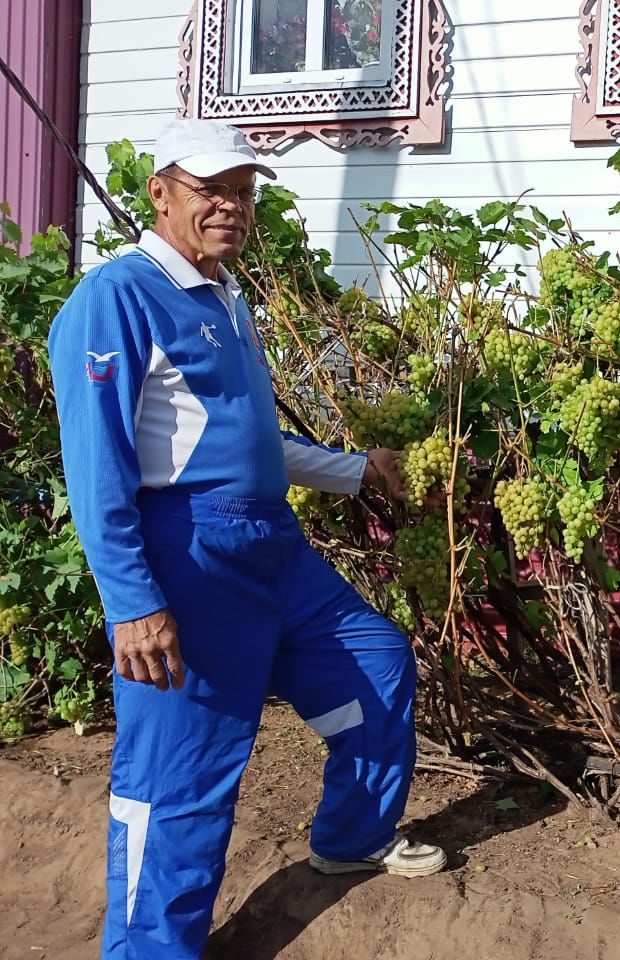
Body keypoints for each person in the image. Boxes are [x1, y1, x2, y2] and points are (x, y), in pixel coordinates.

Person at [47, 118, 444, 960]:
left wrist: (355, 469)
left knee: (374, 664)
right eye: (210, 190)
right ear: (160, 193)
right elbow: (96, 467)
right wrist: (133, 603)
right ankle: (152, 950)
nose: (230, 206)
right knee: (182, 773)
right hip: (189, 557)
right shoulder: (115, 299)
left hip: (272, 545)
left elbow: (250, 438)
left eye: (243, 192)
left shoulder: (225, 295)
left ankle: (349, 837)